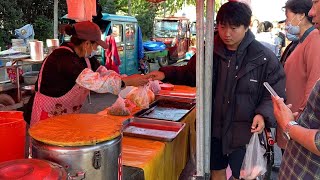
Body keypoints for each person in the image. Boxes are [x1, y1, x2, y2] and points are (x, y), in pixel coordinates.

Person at [149, 2, 286, 179]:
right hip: (214, 128)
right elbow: (191, 74)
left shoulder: (262, 57)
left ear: (246, 26)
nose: (227, 34)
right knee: (216, 171)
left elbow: (275, 93)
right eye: (222, 27)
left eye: (234, 28)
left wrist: (262, 114)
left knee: (242, 174)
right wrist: (164, 73)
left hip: (244, 131)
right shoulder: (209, 50)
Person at [24, 21, 149, 126]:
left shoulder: (86, 57)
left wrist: (125, 78)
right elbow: (96, 83)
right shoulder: (63, 58)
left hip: (66, 116)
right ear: (87, 44)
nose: (96, 49)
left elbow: (104, 73)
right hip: (45, 114)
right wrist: (126, 82)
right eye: (95, 46)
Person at [276, 0, 320, 154]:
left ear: (301, 16)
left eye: (288, 17)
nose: (286, 23)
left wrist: (299, 122)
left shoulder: (314, 39)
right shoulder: (300, 42)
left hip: (299, 125)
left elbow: (313, 85)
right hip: (292, 122)